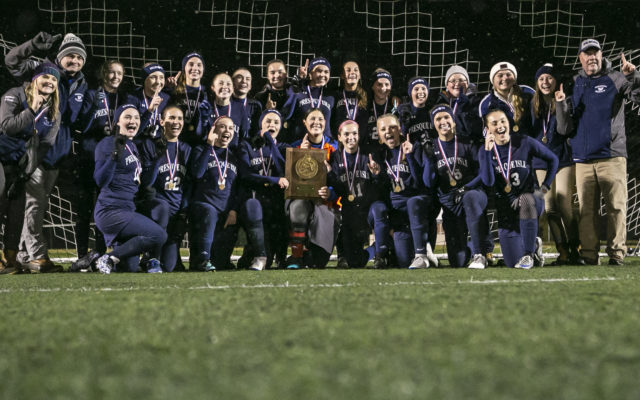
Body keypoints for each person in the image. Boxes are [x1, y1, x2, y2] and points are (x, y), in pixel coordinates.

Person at [5, 32, 88, 272]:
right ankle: (39, 257)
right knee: (34, 205)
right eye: (70, 56)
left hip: (56, 155)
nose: (75, 61)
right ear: (60, 57)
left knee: (36, 206)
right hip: (33, 152)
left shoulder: (82, 82)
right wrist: (30, 45)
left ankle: (21, 254)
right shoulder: (43, 70)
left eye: (79, 58)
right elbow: (12, 61)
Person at [556, 39, 640, 266]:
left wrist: (633, 77)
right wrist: (561, 105)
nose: (591, 57)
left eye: (595, 53)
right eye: (587, 54)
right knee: (586, 211)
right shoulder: (575, 83)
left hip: (612, 155)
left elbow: (638, 97)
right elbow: (565, 128)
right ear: (580, 58)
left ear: (601, 55)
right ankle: (589, 255)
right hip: (583, 159)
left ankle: (616, 254)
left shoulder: (616, 77)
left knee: (616, 207)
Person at [0, 63, 61, 274]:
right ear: (35, 79)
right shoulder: (14, 95)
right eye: (46, 77)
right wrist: (31, 109)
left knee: (17, 208)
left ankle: (10, 258)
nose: (51, 82)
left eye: (55, 80)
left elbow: (44, 146)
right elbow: (6, 126)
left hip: (17, 163)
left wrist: (28, 169)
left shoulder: (53, 111)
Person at [479, 107, 558, 269]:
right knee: (511, 262)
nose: (500, 126)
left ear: (509, 123)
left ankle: (528, 254)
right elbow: (487, 181)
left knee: (527, 199)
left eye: (503, 121)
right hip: (507, 207)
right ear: (488, 130)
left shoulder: (524, 141)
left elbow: (553, 160)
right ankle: (534, 246)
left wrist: (543, 189)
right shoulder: (484, 151)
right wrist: (487, 151)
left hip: (531, 200)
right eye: (494, 123)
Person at [93, 104, 167, 274]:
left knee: (130, 268)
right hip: (111, 211)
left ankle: (100, 258)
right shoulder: (107, 143)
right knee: (159, 236)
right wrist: (113, 158)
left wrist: (157, 158)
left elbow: (145, 182)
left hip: (127, 209)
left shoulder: (131, 146)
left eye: (136, 118)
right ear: (117, 122)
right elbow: (100, 180)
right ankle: (109, 257)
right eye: (127, 117)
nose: (132, 120)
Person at [422, 105, 493, 269]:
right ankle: (469, 248)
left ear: (453, 121)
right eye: (438, 119)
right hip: (450, 203)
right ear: (433, 124)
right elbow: (428, 182)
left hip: (472, 193)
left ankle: (479, 254)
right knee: (457, 261)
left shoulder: (466, 142)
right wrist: (429, 160)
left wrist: (466, 188)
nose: (443, 121)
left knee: (471, 198)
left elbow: (482, 174)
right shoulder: (431, 146)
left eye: (446, 117)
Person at [73, 60, 125, 266]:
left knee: (103, 208)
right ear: (103, 74)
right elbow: (80, 125)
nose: (115, 77)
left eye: (119, 73)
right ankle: (80, 255)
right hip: (88, 158)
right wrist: (94, 113)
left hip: (110, 160)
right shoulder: (92, 94)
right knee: (84, 208)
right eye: (111, 73)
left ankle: (99, 253)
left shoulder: (124, 98)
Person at [530, 63, 580, 265]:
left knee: (565, 206)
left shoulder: (565, 100)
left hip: (562, 160)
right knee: (549, 208)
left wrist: (560, 104)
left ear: (556, 81)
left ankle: (575, 248)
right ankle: (563, 251)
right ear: (537, 83)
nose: (545, 81)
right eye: (541, 78)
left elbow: (563, 129)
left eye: (549, 78)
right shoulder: (531, 105)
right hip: (541, 163)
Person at [377, 113, 437, 269]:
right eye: (383, 129)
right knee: (404, 262)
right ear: (379, 134)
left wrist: (410, 157)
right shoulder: (379, 155)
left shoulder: (414, 147)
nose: (388, 131)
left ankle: (422, 254)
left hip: (417, 205)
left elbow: (420, 183)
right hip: (399, 215)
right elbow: (383, 192)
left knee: (413, 202)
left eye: (392, 127)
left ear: (400, 130)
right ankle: (424, 246)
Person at [327, 120, 390, 268]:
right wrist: (330, 174)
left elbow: (383, 185)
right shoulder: (335, 157)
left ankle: (381, 255)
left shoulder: (369, 154)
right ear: (339, 137)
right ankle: (377, 247)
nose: (351, 137)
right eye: (346, 134)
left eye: (354, 133)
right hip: (350, 211)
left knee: (379, 209)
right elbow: (338, 190)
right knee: (355, 263)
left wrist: (376, 175)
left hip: (369, 208)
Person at [138, 105, 192, 272]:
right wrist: (158, 157)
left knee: (168, 267)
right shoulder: (150, 145)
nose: (176, 122)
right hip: (157, 209)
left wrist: (183, 209)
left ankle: (153, 256)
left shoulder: (186, 149)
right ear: (162, 121)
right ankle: (150, 255)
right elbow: (147, 182)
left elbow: (189, 183)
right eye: (171, 118)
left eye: (180, 118)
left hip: (176, 211)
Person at [286, 108, 339, 269]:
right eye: (312, 119)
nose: (317, 122)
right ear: (304, 122)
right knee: (297, 207)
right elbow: (290, 180)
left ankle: (310, 252)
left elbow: (341, 180)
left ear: (325, 122)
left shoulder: (335, 147)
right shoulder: (294, 147)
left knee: (319, 261)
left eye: (321, 119)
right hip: (300, 198)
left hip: (324, 201)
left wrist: (331, 191)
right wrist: (300, 155)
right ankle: (296, 256)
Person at [236, 109, 289, 270]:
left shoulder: (282, 147)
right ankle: (257, 254)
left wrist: (272, 143)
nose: (271, 124)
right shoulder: (247, 144)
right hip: (255, 198)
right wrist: (273, 180)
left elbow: (283, 171)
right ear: (261, 123)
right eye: (268, 121)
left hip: (275, 201)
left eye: (276, 122)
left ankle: (278, 255)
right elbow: (246, 174)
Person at [188, 116, 240, 271]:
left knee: (221, 263)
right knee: (209, 212)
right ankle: (203, 259)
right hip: (204, 206)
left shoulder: (234, 156)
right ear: (214, 130)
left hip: (224, 209)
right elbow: (197, 174)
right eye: (223, 127)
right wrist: (209, 145)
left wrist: (233, 210)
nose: (227, 131)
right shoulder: (200, 149)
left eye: (231, 128)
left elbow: (237, 188)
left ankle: (212, 259)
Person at [283, 57, 335, 143]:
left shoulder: (331, 95)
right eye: (319, 71)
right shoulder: (298, 90)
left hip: (325, 146)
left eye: (326, 72)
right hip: (300, 144)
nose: (322, 74)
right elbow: (286, 114)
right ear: (310, 74)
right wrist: (298, 82)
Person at [165, 52, 212, 146]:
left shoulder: (208, 93)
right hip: (177, 141)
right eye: (191, 64)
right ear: (184, 68)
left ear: (203, 70)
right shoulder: (175, 90)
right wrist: (167, 90)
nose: (195, 68)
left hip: (199, 143)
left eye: (199, 65)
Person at [479, 62, 534, 136]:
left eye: (508, 75)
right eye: (500, 75)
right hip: (508, 145)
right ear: (493, 80)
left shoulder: (527, 92)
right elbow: (486, 131)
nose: (505, 78)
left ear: (514, 78)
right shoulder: (487, 103)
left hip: (530, 143)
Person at [437, 65, 484, 144]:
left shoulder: (477, 102)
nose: (457, 83)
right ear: (447, 85)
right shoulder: (440, 103)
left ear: (467, 83)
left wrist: (463, 111)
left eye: (461, 80)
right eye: (453, 80)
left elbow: (476, 130)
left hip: (469, 147)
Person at [127, 63, 170, 139]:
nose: (158, 82)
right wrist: (149, 111)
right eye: (153, 77)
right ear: (144, 79)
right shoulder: (133, 99)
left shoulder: (167, 99)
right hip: (138, 146)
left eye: (161, 77)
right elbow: (131, 133)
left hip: (159, 146)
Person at [209, 72, 249, 149]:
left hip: (232, 155)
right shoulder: (207, 107)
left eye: (228, 84)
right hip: (212, 154)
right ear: (213, 87)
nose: (225, 87)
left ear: (233, 88)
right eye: (221, 83)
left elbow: (244, 136)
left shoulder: (240, 108)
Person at [330, 61, 368, 142]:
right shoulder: (335, 95)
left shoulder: (367, 95)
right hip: (340, 142)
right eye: (348, 70)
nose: (352, 73)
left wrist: (394, 96)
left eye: (355, 70)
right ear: (342, 76)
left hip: (359, 144)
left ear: (360, 75)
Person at [231, 67, 263, 136]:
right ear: (232, 82)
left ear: (250, 85)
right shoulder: (225, 103)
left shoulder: (255, 106)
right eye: (239, 77)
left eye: (248, 79)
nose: (244, 81)